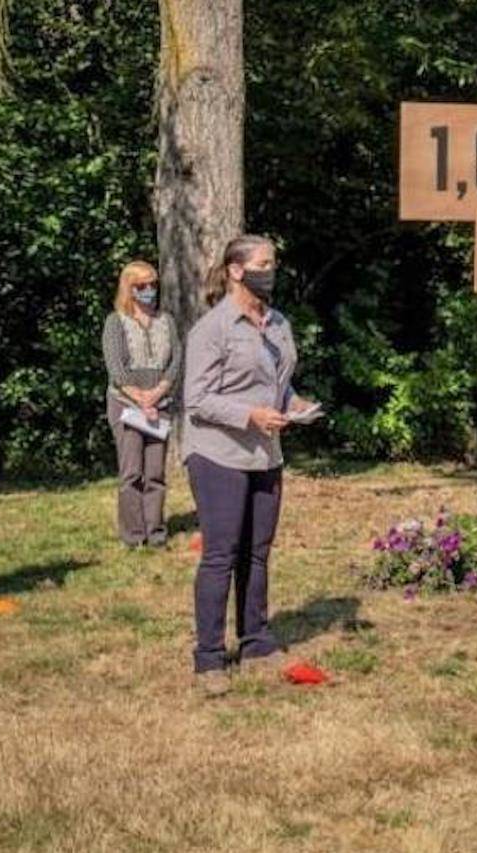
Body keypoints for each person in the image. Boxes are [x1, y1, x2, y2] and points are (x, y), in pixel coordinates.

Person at [183, 234, 320, 696]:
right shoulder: (212, 329)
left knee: (257, 553)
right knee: (221, 554)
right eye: (263, 263)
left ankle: (257, 640)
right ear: (236, 271)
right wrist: (250, 415)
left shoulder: (278, 323)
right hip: (218, 453)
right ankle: (209, 658)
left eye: (274, 263)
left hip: (266, 453)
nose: (271, 270)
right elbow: (197, 400)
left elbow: (278, 384)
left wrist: (294, 403)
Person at [101, 260, 181, 548]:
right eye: (142, 286)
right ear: (129, 288)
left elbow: (175, 362)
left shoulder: (166, 321)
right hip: (125, 404)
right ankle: (133, 536)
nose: (149, 290)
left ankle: (156, 532)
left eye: (152, 284)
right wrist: (140, 399)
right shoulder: (115, 321)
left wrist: (157, 395)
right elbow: (116, 368)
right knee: (132, 472)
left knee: (156, 473)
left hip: (160, 404)